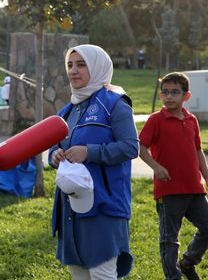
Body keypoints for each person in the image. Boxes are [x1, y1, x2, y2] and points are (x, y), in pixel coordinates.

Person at [48, 44, 138, 279]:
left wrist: (90, 152)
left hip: (104, 207)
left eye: (81, 64)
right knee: (78, 273)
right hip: (71, 209)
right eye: (70, 65)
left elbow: (130, 146)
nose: (73, 71)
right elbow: (53, 148)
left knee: (102, 274)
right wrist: (54, 156)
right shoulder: (66, 111)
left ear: (98, 67)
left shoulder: (115, 104)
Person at [138, 72, 208, 280]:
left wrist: (206, 175)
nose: (169, 96)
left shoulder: (192, 120)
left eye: (175, 92)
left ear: (186, 96)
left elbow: (197, 151)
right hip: (169, 191)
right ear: (161, 96)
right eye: (165, 92)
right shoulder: (156, 120)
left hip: (194, 189)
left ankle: (187, 262)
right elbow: (140, 147)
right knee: (169, 239)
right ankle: (173, 276)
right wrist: (156, 166)